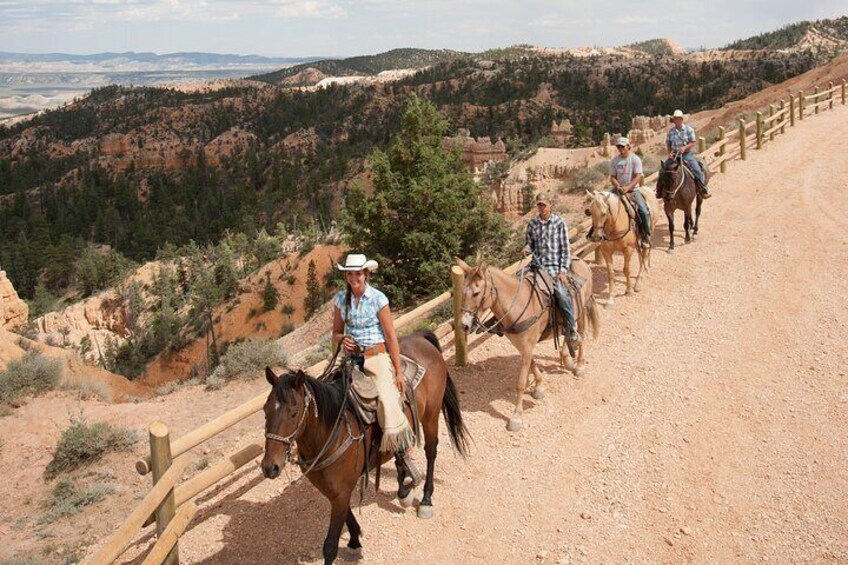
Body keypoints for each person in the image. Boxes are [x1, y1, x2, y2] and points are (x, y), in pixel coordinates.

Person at [331, 253, 421, 486]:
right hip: (352, 358)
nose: (353, 278)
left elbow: (391, 336)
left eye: (358, 273)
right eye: (350, 274)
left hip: (376, 356)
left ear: (366, 274)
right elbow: (336, 333)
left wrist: (398, 372)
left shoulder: (378, 299)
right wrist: (342, 340)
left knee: (386, 396)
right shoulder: (341, 299)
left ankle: (404, 448)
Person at [522, 193, 580, 344]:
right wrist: (527, 248)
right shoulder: (532, 224)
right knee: (518, 281)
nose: (541, 208)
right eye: (539, 205)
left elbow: (565, 249)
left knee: (561, 293)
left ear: (550, 206)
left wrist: (562, 270)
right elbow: (530, 243)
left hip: (554, 266)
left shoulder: (559, 223)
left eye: (544, 205)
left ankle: (571, 327)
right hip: (537, 265)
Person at [610, 136, 651, 249]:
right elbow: (612, 177)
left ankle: (645, 235)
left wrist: (627, 188)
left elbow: (638, 176)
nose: (620, 149)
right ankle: (599, 234)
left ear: (628, 146)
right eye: (618, 146)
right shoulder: (615, 160)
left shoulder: (635, 159)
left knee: (643, 210)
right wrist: (618, 185)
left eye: (622, 146)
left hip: (633, 190)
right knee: (603, 207)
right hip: (618, 189)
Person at [666, 109, 711, 198]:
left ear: (682, 119)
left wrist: (685, 147)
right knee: (663, 170)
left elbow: (693, 142)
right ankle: (660, 191)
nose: (677, 120)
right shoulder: (671, 131)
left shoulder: (688, 129)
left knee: (697, 170)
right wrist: (669, 153)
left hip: (686, 155)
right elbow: (668, 143)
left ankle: (703, 189)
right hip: (675, 155)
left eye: (678, 118)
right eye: (675, 119)